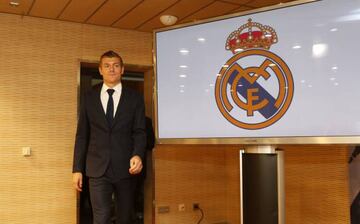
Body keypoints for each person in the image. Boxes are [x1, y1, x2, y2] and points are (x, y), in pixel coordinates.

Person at [72, 50, 147, 224]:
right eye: (107, 66)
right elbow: (82, 135)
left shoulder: (135, 98)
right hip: (97, 169)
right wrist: (77, 169)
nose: (111, 69)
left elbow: (139, 131)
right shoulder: (89, 97)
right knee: (101, 217)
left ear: (122, 69)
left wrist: (137, 154)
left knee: (125, 218)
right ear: (100, 70)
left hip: (126, 168)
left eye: (115, 66)